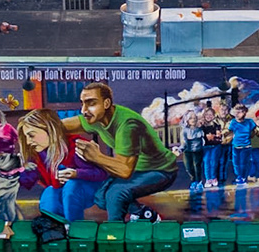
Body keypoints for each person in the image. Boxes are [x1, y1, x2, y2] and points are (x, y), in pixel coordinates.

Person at [67, 81, 180, 221]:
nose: (84, 110)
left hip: (160, 170)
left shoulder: (127, 125)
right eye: (83, 103)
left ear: (106, 103)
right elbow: (59, 126)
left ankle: (115, 231)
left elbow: (125, 170)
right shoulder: (96, 119)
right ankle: (145, 214)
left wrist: (96, 157)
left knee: (115, 194)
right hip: (137, 169)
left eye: (91, 103)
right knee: (100, 197)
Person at [17, 108, 107, 221]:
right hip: (59, 189)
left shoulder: (76, 146)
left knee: (72, 187)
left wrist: (77, 174)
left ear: (49, 129)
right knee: (49, 194)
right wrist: (19, 170)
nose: (28, 142)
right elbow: (30, 181)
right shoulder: (37, 154)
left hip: (88, 189)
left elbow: (101, 173)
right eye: (26, 138)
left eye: (31, 135)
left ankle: (73, 226)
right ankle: (53, 227)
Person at [201, 107, 227, 193]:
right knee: (207, 162)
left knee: (214, 162)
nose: (209, 116)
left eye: (211, 115)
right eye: (207, 115)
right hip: (206, 147)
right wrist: (206, 137)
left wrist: (215, 136)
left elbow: (219, 135)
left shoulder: (216, 125)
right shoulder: (202, 126)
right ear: (204, 115)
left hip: (215, 146)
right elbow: (201, 136)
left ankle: (213, 177)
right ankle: (208, 178)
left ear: (213, 116)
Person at [180, 113, 207, 196]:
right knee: (189, 167)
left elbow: (204, 139)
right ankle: (193, 180)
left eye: (195, 118)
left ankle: (198, 182)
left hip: (197, 150)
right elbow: (184, 141)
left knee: (197, 166)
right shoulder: (184, 130)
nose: (193, 120)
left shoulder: (200, 129)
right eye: (191, 118)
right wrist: (181, 148)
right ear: (187, 120)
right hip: (188, 151)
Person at [228, 105, 255, 186]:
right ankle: (238, 176)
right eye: (236, 112)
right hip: (236, 145)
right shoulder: (233, 122)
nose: (238, 114)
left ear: (244, 113)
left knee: (243, 162)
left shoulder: (249, 122)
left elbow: (255, 131)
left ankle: (243, 177)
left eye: (240, 112)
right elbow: (229, 131)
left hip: (245, 146)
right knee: (236, 163)